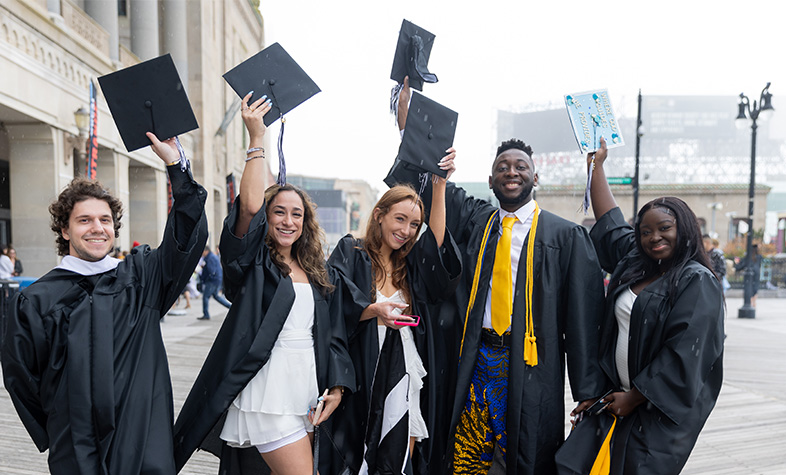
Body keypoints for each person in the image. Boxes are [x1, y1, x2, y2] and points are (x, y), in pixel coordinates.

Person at [388, 89, 606, 474]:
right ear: (490, 180)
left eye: (521, 166)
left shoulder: (565, 236)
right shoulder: (478, 221)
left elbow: (583, 318)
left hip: (532, 363)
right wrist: (409, 125)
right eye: (503, 166)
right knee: (466, 454)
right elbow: (431, 184)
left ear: (535, 177)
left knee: (526, 454)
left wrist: (587, 390)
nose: (511, 171)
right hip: (476, 355)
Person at [1, 132, 208, 474]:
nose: (97, 228)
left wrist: (175, 166)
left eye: (105, 220)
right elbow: (22, 378)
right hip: (75, 444)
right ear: (64, 230)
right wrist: (61, 419)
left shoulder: (142, 278)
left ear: (114, 228)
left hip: (141, 438)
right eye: (84, 220)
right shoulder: (36, 300)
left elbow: (186, 237)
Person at [172, 93, 355, 475]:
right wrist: (257, 139)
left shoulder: (317, 273)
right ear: (266, 219)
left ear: (306, 222)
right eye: (279, 212)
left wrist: (337, 385)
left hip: (306, 389)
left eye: (296, 214)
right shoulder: (255, 266)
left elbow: (334, 330)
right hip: (269, 392)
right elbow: (250, 206)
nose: (288, 221)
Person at [572, 138, 724, 474]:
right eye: (645, 231)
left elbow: (683, 354)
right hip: (617, 398)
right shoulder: (637, 263)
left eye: (664, 228)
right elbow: (610, 223)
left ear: (685, 229)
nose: (654, 237)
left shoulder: (696, 281)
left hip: (658, 411)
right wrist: (596, 166)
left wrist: (635, 397)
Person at [327, 166, 461, 473]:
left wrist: (440, 186)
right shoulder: (352, 252)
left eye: (414, 224)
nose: (406, 230)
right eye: (400, 219)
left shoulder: (408, 265)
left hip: (403, 367)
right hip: (365, 367)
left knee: (399, 451)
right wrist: (374, 311)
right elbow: (333, 306)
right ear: (379, 215)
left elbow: (437, 245)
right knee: (360, 453)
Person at [198, 245, 232, 319]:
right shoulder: (211, 257)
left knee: (205, 297)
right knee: (216, 296)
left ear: (206, 251)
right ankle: (231, 307)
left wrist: (206, 278)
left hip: (212, 280)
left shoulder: (210, 258)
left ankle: (206, 314)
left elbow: (211, 271)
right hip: (216, 279)